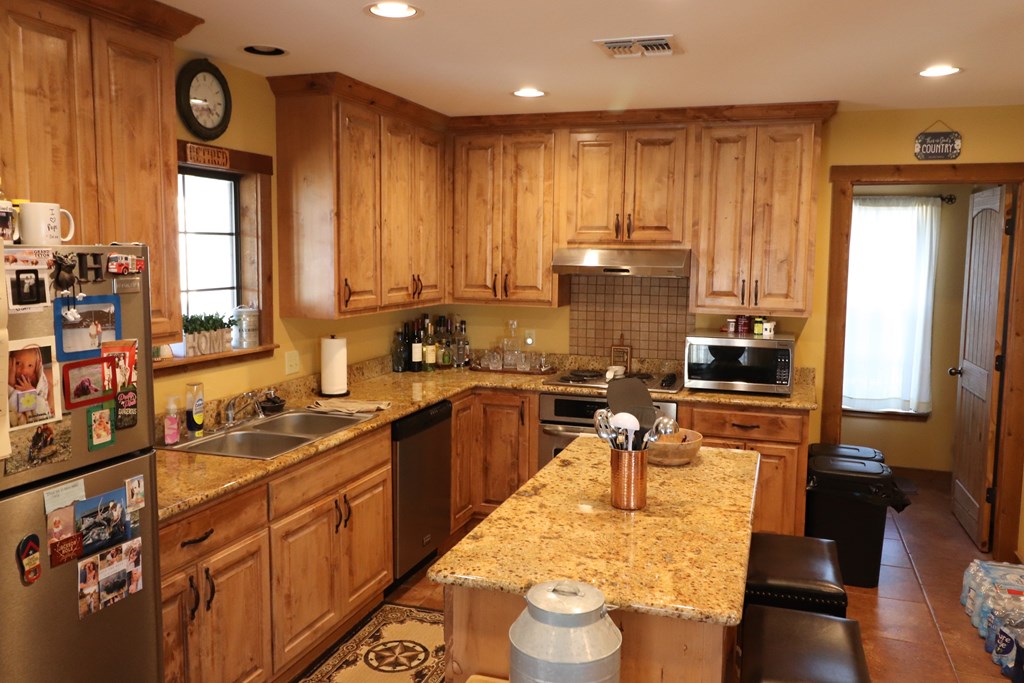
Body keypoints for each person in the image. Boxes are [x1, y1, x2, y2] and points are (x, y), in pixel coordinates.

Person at [8, 346, 50, 427]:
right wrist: (10, 386)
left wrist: (31, 391)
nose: (24, 370)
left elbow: (44, 413)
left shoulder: (38, 384)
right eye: (18, 363)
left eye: (30, 365)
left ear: (36, 369)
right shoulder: (8, 379)